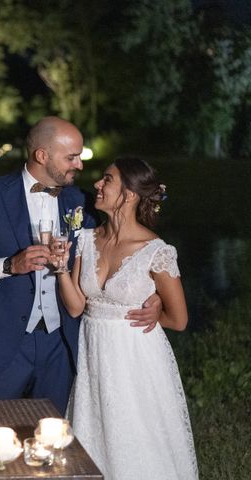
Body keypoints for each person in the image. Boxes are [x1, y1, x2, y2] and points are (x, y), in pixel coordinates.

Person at [0, 117, 161, 415]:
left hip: (62, 344)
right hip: (1, 343)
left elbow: (124, 247)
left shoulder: (83, 201)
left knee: (54, 442)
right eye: (72, 157)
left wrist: (154, 294)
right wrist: (8, 265)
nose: (80, 165)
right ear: (42, 156)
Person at [55, 157, 198, 479]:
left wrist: (157, 309)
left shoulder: (156, 250)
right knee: (95, 430)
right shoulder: (87, 239)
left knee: (138, 434)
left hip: (137, 357)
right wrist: (61, 269)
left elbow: (179, 320)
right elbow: (77, 306)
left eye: (107, 179)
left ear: (130, 195)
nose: (97, 185)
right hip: (94, 354)